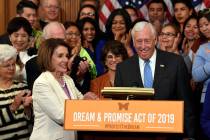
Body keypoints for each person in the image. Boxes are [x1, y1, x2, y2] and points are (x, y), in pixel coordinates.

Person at [115, 21, 195, 139]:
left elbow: (186, 104)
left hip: (169, 135)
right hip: (135, 135)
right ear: (133, 42)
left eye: (147, 41)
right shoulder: (123, 68)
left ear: (155, 40)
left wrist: (190, 136)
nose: (143, 46)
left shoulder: (175, 63)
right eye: (138, 41)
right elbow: (119, 107)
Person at [29, 38, 97, 140]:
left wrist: (86, 99)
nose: (66, 60)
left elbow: (79, 102)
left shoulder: (67, 79)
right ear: (48, 57)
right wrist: (83, 102)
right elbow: (61, 116)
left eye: (67, 56)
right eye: (60, 56)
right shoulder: (42, 83)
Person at [0, 44, 32, 140]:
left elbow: (31, 121)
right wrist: (13, 107)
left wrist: (28, 110)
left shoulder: (23, 87)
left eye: (13, 64)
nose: (11, 68)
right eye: (7, 65)